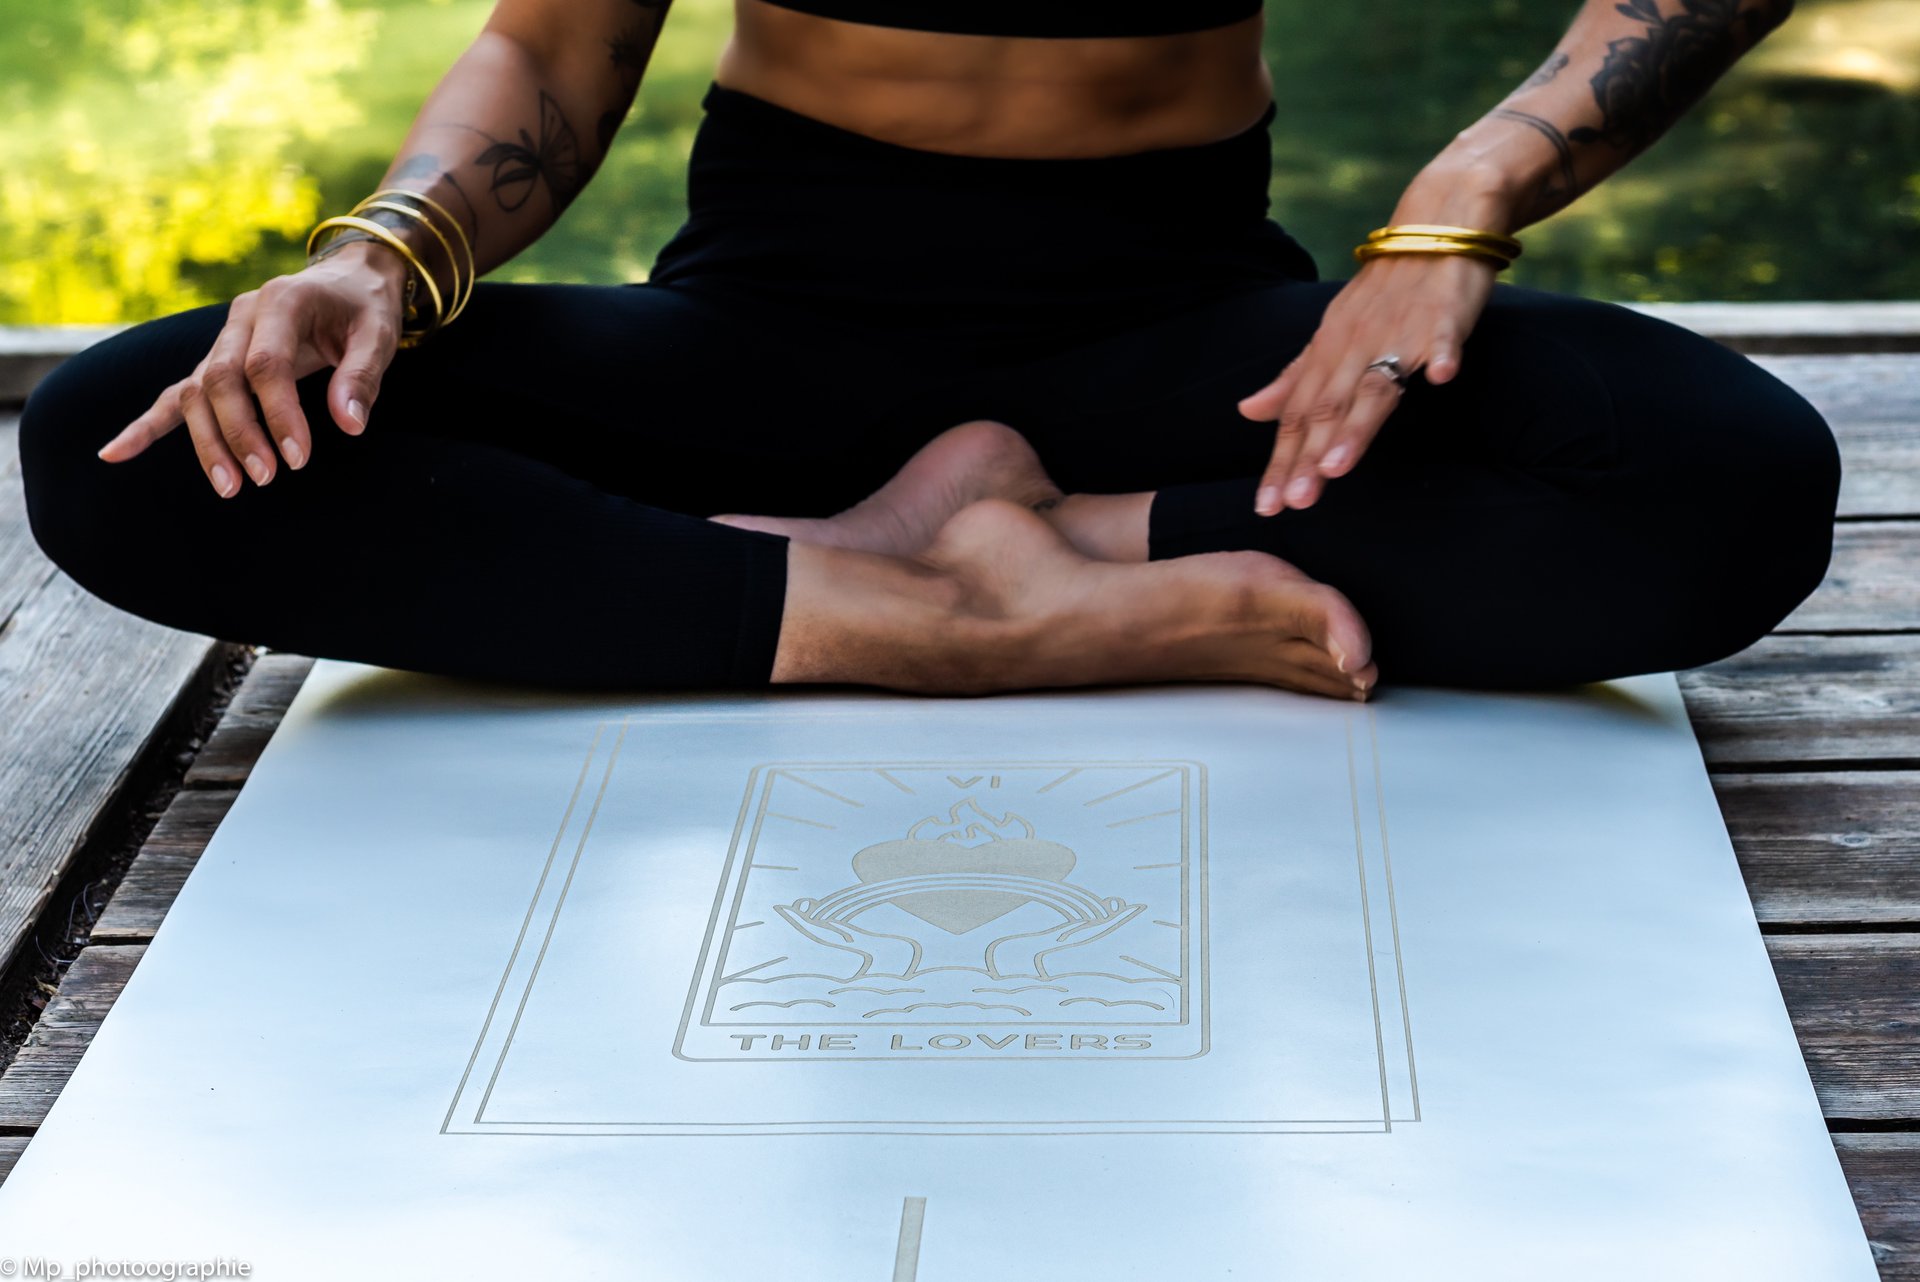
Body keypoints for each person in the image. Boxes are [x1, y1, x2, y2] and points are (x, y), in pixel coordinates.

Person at [19, 0, 1838, 700]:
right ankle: (917, 607)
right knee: (140, 436)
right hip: (770, 336)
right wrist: (380, 252)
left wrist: (1456, 212)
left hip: (1181, 328)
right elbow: (551, 47)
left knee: (1728, 480)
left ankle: (1065, 537)